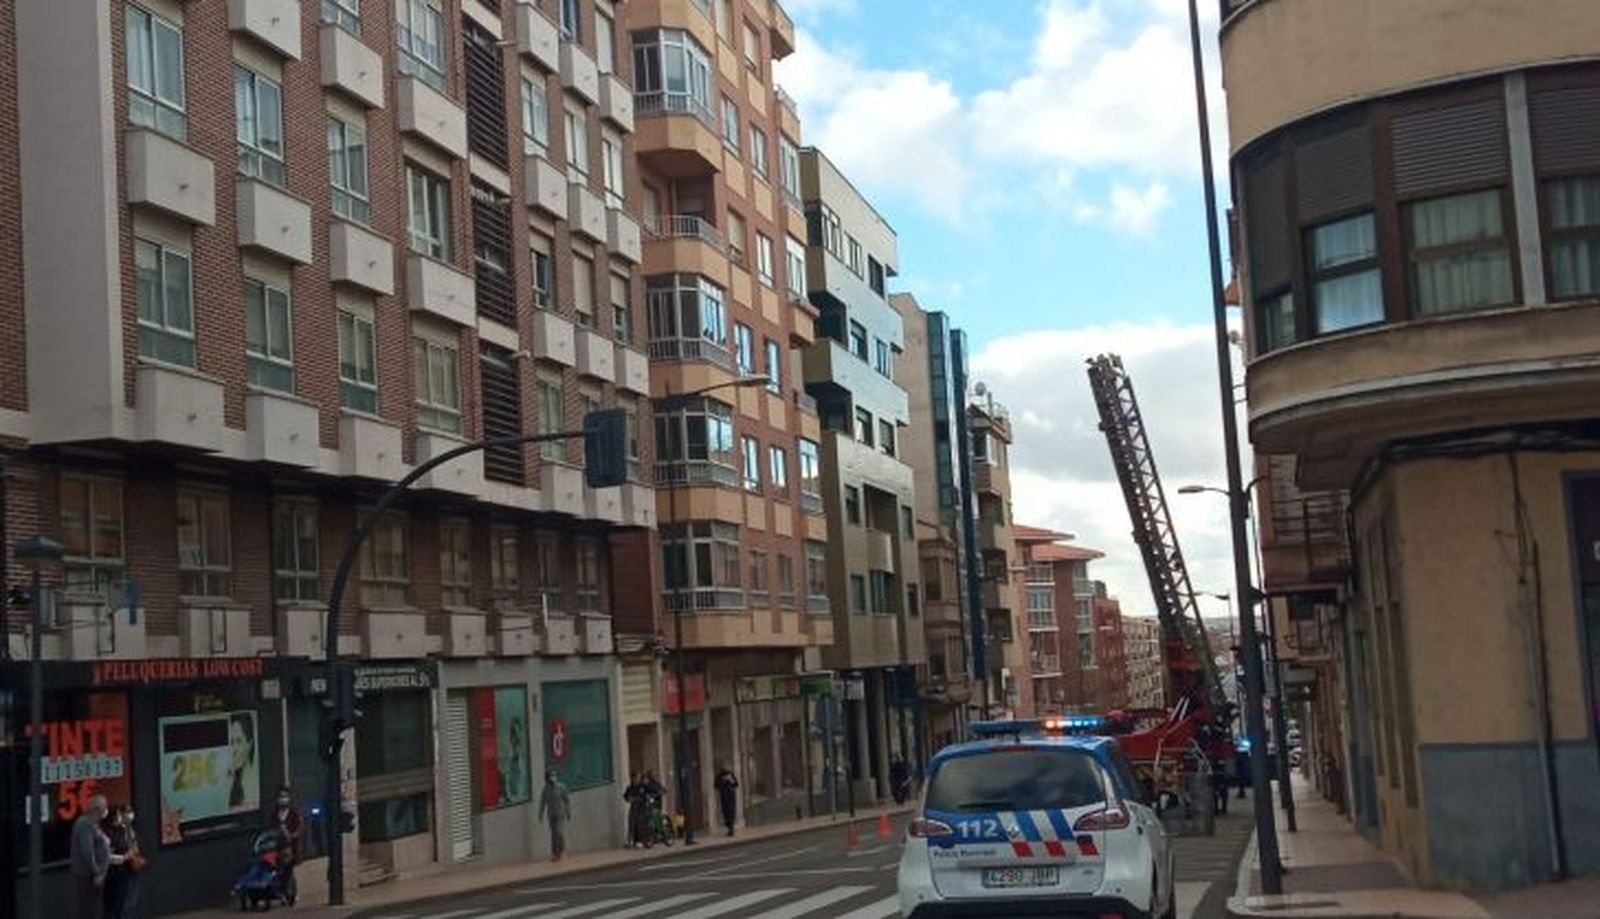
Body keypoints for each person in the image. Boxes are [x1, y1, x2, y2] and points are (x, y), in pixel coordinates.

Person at [71, 795, 113, 919]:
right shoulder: (85, 824)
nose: (106, 811)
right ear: (96, 809)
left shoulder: (93, 824)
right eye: (104, 808)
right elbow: (87, 852)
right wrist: (97, 873)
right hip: (88, 876)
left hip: (93, 876)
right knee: (90, 910)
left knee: (95, 909)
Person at [102, 804, 143, 919]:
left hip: (127, 870)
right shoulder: (105, 833)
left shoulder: (123, 829)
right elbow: (106, 856)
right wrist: (124, 857)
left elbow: (132, 843)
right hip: (113, 872)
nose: (120, 817)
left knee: (127, 902)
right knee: (114, 905)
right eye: (119, 814)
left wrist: (133, 854)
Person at [267, 784, 304, 899]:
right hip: (277, 845)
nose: (283, 799)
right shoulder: (274, 813)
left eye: (285, 796)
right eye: (281, 796)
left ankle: (290, 891)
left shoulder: (294, 813)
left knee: (288, 866)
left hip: (291, 845)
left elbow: (300, 827)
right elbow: (271, 827)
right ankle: (279, 890)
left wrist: (293, 835)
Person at [538, 771, 572, 861]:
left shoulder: (561, 787)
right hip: (551, 814)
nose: (553, 777)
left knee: (558, 831)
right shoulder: (545, 789)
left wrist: (568, 812)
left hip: (560, 814)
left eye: (554, 775)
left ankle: (561, 849)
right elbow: (542, 802)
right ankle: (555, 854)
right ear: (547, 779)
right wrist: (540, 814)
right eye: (551, 776)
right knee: (553, 834)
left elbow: (567, 800)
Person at [228, 713, 256, 810]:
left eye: (239, 741)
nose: (234, 750)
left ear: (249, 744)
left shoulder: (254, 785)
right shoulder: (230, 782)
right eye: (232, 742)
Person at [714, 766, 738, 837]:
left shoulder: (730, 775)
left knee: (731, 812)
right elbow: (716, 785)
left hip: (731, 796)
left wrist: (730, 781)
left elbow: (736, 784)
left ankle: (731, 828)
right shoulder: (719, 776)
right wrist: (722, 782)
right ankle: (729, 827)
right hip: (724, 797)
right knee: (726, 812)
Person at [622, 775, 645, 848]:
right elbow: (625, 795)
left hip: (641, 808)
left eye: (637, 779)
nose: (635, 780)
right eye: (634, 779)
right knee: (631, 824)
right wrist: (628, 798)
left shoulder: (642, 787)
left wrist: (637, 799)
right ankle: (630, 841)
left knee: (639, 824)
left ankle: (639, 840)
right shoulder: (630, 787)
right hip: (633, 807)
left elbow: (644, 796)